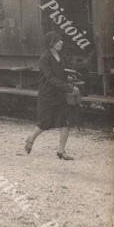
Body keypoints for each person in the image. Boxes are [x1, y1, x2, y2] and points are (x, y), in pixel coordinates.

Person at [24, 31, 78, 160]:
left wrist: (69, 77)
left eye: (61, 40)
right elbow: (50, 78)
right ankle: (31, 138)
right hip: (48, 94)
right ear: (51, 43)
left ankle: (61, 151)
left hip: (60, 93)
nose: (61, 42)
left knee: (65, 122)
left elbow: (63, 73)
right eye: (58, 40)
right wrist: (69, 87)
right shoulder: (45, 58)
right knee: (45, 123)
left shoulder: (61, 56)